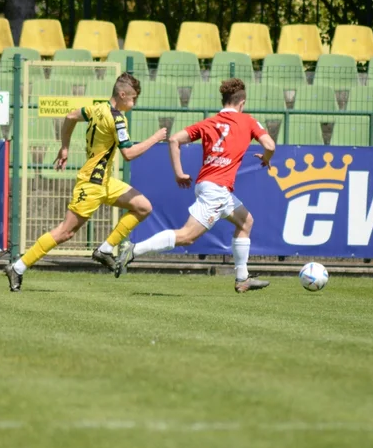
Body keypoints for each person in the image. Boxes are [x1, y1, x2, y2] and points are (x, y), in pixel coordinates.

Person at [4, 72, 167, 292]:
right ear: (122, 94)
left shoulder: (97, 107)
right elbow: (128, 153)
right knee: (65, 232)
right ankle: (19, 266)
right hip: (92, 183)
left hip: (105, 180)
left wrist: (64, 147)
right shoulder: (117, 118)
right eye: (133, 98)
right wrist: (155, 139)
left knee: (143, 206)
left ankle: (106, 249)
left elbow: (71, 116)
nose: (134, 102)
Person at [115, 78, 275, 293]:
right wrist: (266, 158)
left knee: (246, 221)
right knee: (187, 236)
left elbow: (174, 140)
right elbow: (270, 145)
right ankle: (133, 249)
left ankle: (242, 278)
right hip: (216, 190)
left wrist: (179, 173)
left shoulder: (208, 123)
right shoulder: (247, 121)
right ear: (242, 103)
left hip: (211, 186)